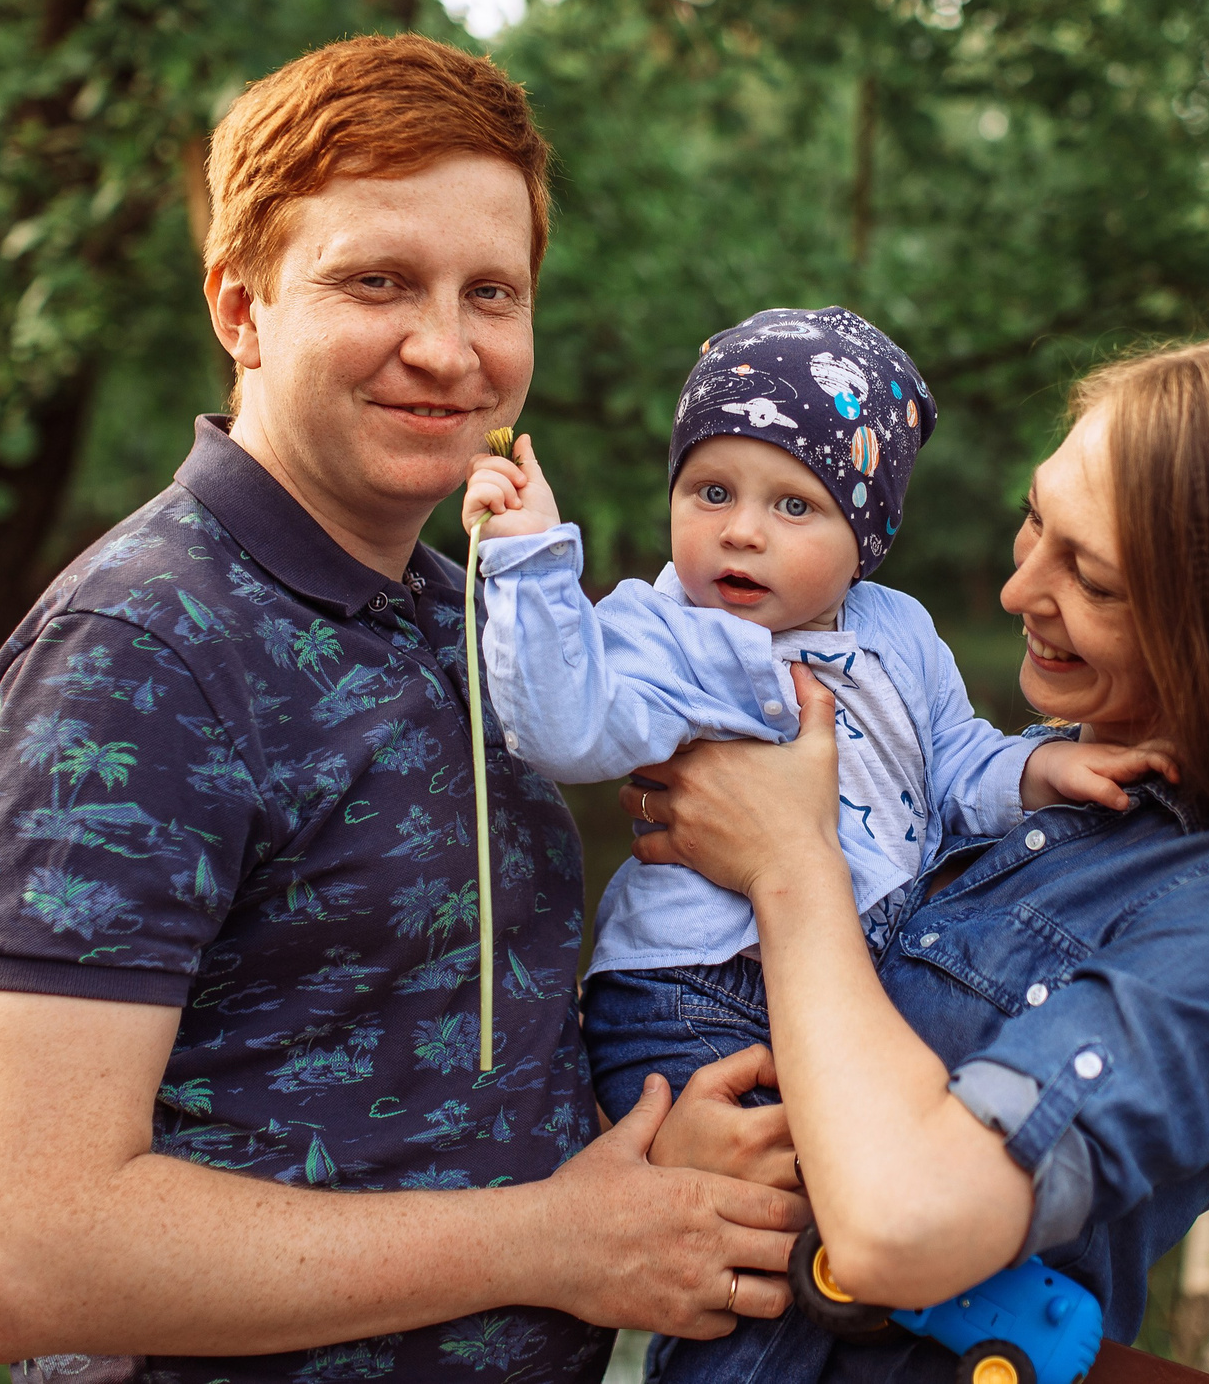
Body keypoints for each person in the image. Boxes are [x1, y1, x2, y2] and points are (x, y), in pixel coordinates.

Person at [0, 34, 805, 1384]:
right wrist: (549, 1241)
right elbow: (25, 1255)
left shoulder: (474, 619)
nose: (447, 350)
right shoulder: (143, 651)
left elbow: (401, 1079)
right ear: (242, 309)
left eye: (491, 293)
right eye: (377, 281)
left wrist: (630, 1161)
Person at [625, 334, 1209, 1383]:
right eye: (1034, 518)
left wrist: (790, 861)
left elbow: (897, 1229)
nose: (1018, 590)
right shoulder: (1007, 787)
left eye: (1091, 579)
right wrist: (679, 1146)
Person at [458, 306, 1169, 1123]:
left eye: (794, 506)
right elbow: (561, 727)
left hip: (850, 982)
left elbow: (955, 759)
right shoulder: (665, 631)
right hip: (691, 990)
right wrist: (532, 563)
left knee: (871, 1157)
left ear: (865, 539)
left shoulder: (899, 629)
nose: (741, 531)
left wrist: (1044, 767)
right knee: (774, 1173)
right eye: (712, 492)